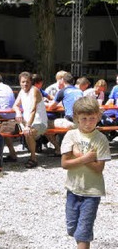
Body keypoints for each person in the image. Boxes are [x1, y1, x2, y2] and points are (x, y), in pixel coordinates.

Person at [61, 96, 111, 249]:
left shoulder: (101, 139)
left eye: (92, 118)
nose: (88, 123)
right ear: (76, 118)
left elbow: (98, 168)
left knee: (83, 233)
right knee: (72, 228)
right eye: (84, 119)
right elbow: (65, 164)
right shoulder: (71, 136)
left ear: (98, 117)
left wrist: (80, 156)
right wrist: (86, 158)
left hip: (92, 192)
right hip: (73, 189)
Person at [12, 72, 49, 168]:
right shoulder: (21, 91)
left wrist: (28, 126)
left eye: (27, 82)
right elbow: (15, 105)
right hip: (26, 122)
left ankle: (33, 158)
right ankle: (12, 155)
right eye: (23, 82)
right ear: (20, 83)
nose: (25, 84)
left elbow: (33, 110)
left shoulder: (34, 90)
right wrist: (18, 112)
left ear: (31, 82)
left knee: (28, 132)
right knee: (5, 131)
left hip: (39, 122)